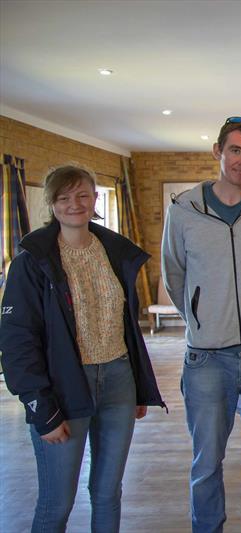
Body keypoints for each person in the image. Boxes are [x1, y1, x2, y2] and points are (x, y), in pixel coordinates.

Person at [0, 164, 164, 532]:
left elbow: (125, 325)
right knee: (57, 502)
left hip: (118, 380)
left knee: (108, 493)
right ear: (51, 204)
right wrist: (40, 406)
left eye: (82, 195)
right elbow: (17, 341)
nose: (74, 204)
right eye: (63, 197)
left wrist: (137, 383)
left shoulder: (114, 251)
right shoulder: (31, 262)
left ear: (94, 199)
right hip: (63, 387)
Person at [161, 117, 241, 533]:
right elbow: (174, 275)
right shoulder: (183, 210)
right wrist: (202, 319)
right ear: (218, 151)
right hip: (206, 359)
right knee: (206, 463)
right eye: (236, 150)